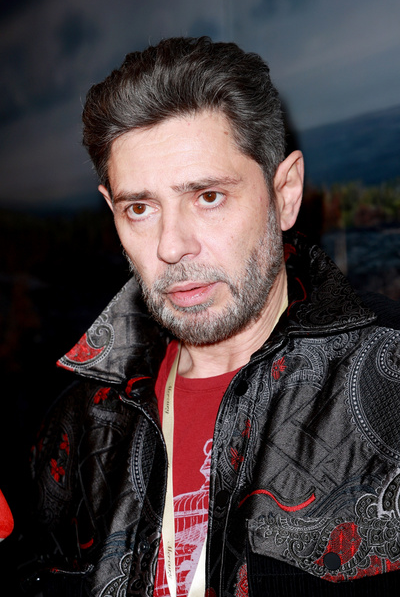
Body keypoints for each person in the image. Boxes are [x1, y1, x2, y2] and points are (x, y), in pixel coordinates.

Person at [22, 37, 400, 596]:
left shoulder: (389, 382)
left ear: (285, 193)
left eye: (208, 197)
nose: (172, 245)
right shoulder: (83, 418)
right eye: (140, 208)